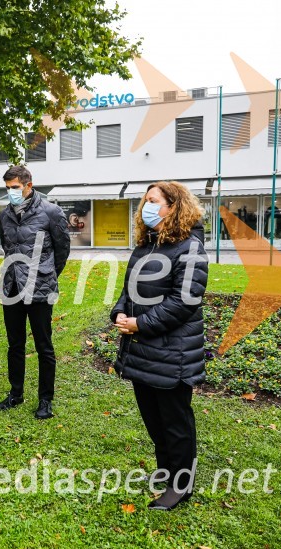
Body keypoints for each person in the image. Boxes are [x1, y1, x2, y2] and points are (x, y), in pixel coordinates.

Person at [111, 180, 208, 511]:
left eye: (153, 201)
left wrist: (141, 323)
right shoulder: (146, 246)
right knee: (153, 418)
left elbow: (185, 302)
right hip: (141, 350)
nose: (145, 207)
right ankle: (167, 472)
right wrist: (121, 311)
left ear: (173, 207)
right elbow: (128, 290)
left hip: (173, 352)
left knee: (175, 422)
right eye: (144, 201)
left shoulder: (189, 248)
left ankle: (182, 486)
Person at [0, 165, 70, 420]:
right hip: (12, 287)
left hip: (39, 288)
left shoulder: (51, 211)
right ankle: (16, 393)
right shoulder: (5, 215)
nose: (11, 192)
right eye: (7, 188)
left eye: (14, 187)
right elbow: (7, 248)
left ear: (28, 184)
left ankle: (45, 400)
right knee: (15, 345)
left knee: (43, 346)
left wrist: (47, 274)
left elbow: (62, 251)